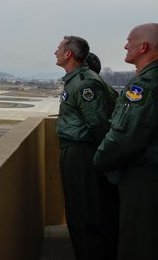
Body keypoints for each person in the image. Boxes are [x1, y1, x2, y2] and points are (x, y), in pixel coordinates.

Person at [94, 23, 158, 259]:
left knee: (138, 242)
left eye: (129, 40)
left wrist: (100, 160)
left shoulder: (145, 85)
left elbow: (126, 135)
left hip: (144, 176)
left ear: (144, 47)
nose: (125, 45)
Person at [54, 35, 119, 259]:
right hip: (76, 151)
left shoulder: (85, 83)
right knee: (78, 207)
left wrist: (107, 160)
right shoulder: (76, 80)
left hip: (82, 153)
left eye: (59, 48)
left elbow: (99, 124)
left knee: (85, 210)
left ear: (69, 54)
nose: (56, 52)